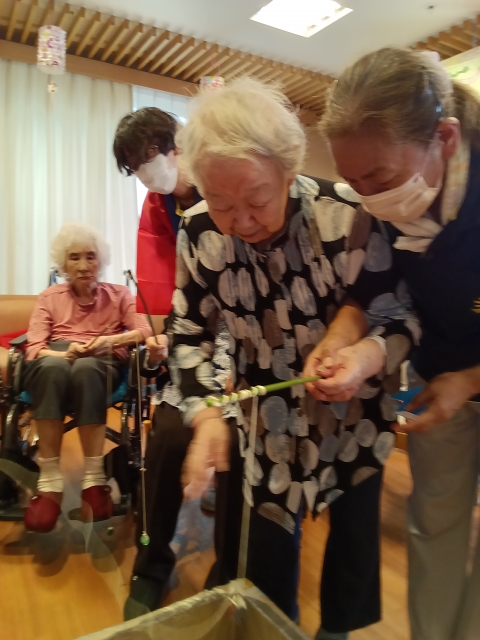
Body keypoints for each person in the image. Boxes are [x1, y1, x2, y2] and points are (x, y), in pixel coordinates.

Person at [170, 77, 416, 639]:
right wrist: (206, 415)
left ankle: (338, 632)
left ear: (288, 170)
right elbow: (187, 332)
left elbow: (399, 315)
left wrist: (363, 357)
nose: (240, 221)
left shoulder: (346, 214)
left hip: (355, 412)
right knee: (267, 557)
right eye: (221, 202)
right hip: (265, 421)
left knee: (352, 545)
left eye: (257, 199)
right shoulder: (199, 232)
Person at [318, 47, 480, 640]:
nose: (369, 197)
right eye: (354, 182)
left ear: (445, 138)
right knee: (433, 521)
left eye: (380, 179)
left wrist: (469, 381)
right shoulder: (384, 199)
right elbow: (369, 291)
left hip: (458, 376)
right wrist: (341, 343)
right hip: (436, 375)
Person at [22, 222, 158, 533]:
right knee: (52, 368)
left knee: (86, 369)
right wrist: (64, 355)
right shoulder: (49, 297)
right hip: (56, 360)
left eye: (90, 256)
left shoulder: (120, 294)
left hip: (102, 361)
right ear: (63, 263)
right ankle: (50, 484)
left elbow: (144, 330)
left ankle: (94, 483)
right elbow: (35, 347)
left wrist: (110, 342)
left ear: (101, 260)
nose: (83, 265)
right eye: (74, 257)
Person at [113, 107, 202, 316]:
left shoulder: (213, 180)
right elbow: (157, 274)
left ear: (176, 146)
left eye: (149, 154)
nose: (144, 170)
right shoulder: (156, 205)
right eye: (134, 165)